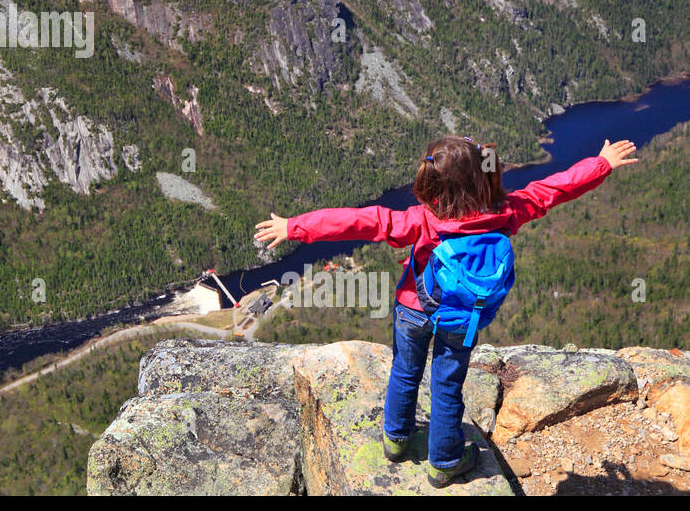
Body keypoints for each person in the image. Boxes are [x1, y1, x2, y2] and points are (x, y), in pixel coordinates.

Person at [253, 136, 638, 487]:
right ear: (481, 179)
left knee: (404, 372)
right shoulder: (506, 212)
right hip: (462, 319)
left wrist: (295, 227)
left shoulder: (422, 219)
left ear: (437, 186)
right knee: (447, 387)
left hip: (413, 310)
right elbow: (554, 189)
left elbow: (361, 220)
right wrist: (600, 163)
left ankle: (395, 439)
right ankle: (443, 462)